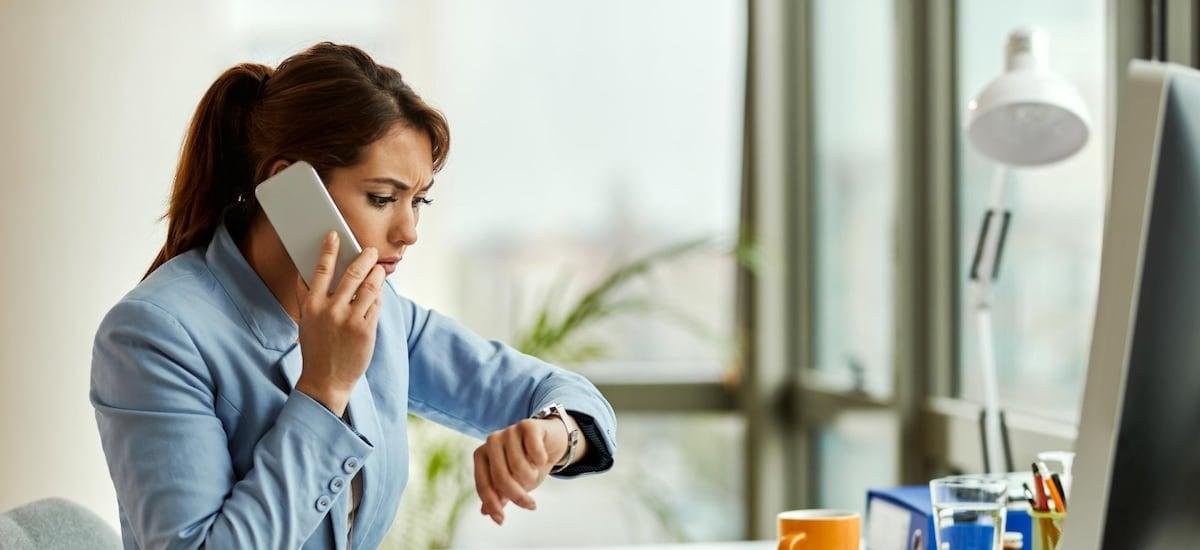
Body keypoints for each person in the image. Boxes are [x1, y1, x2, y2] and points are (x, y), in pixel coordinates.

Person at [89, 42, 616, 549]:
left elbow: (556, 389)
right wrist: (324, 388)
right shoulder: (153, 336)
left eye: (419, 201)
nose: (409, 231)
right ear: (289, 187)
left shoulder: (379, 312)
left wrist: (556, 435)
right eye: (383, 198)